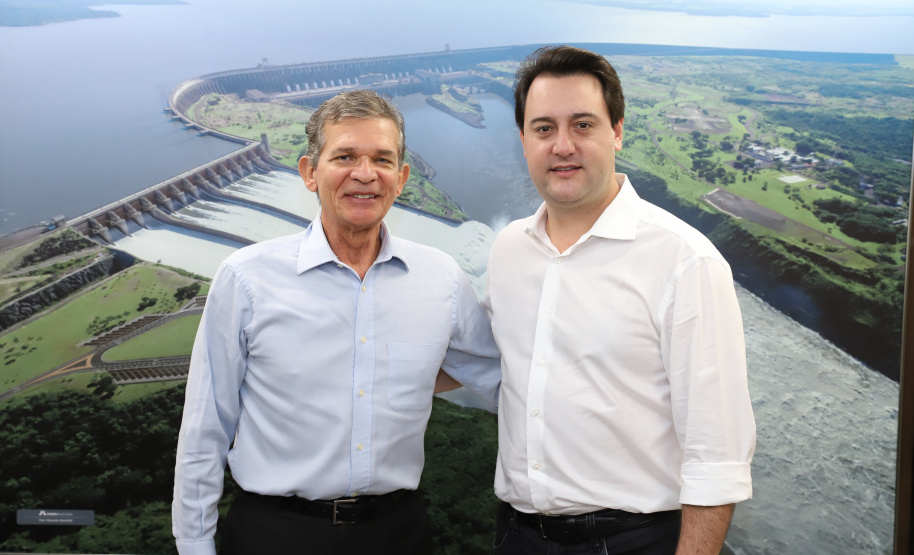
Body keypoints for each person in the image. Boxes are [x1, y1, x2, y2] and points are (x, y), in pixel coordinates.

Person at [172, 89, 501, 555]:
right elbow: (205, 428)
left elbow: (503, 378)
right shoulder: (246, 279)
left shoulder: (441, 278)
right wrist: (194, 546)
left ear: (402, 177)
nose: (364, 174)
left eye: (382, 160)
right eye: (344, 155)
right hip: (275, 534)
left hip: (397, 532)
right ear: (309, 172)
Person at [484, 46, 756, 554]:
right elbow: (484, 361)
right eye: (544, 128)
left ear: (617, 131)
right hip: (517, 534)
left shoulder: (685, 262)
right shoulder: (508, 252)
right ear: (523, 140)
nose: (562, 145)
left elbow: (716, 456)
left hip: (632, 541)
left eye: (582, 124)